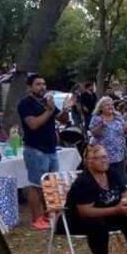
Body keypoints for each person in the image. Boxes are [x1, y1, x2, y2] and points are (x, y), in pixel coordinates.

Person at [18, 73, 74, 230]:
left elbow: (62, 120)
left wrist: (65, 109)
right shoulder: (25, 104)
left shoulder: (47, 102)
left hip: (51, 149)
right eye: (38, 84)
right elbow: (33, 125)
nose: (42, 87)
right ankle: (37, 218)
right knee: (36, 185)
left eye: (43, 84)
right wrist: (49, 111)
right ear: (30, 87)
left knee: (52, 183)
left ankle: (52, 214)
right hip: (35, 149)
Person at [89, 96, 127, 183]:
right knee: (106, 181)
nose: (110, 107)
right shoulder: (97, 118)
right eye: (107, 105)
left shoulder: (118, 117)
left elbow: (125, 131)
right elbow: (94, 134)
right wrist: (102, 125)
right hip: (104, 157)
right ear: (101, 107)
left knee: (120, 181)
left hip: (119, 155)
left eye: (112, 104)